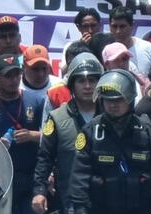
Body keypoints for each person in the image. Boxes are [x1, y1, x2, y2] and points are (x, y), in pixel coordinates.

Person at [69, 69, 151, 214]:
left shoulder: (146, 130)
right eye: (108, 99)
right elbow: (79, 176)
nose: (113, 104)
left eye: (118, 99)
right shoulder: (90, 132)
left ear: (130, 99)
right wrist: (79, 209)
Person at [32, 53, 101, 214]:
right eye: (82, 80)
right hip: (71, 200)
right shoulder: (57, 118)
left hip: (106, 200)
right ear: (71, 84)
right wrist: (39, 192)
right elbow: (45, 158)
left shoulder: (111, 116)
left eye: (92, 80)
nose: (88, 86)